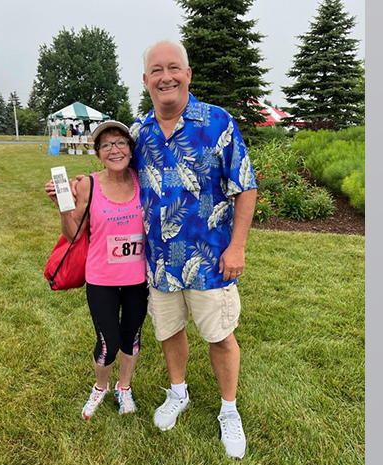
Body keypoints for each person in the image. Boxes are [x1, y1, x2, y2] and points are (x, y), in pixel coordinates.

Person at [131, 39, 258, 459]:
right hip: (161, 261)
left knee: (220, 335)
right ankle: (179, 392)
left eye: (173, 68)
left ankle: (228, 410)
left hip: (210, 259)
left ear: (187, 75)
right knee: (169, 331)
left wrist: (237, 246)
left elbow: (245, 185)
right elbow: (119, 179)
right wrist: (77, 189)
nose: (165, 76)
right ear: (146, 80)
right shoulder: (139, 133)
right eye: (156, 70)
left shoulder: (217, 122)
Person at [44, 121, 148, 420]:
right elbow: (73, 233)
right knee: (108, 342)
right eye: (106, 145)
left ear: (130, 148)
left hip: (137, 279)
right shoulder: (88, 184)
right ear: (98, 153)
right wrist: (63, 207)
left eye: (120, 143)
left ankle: (124, 387)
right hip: (101, 278)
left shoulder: (142, 180)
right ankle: (101, 386)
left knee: (133, 336)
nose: (114, 149)